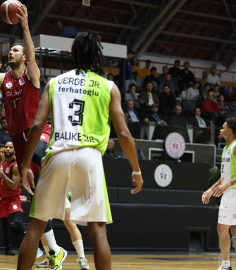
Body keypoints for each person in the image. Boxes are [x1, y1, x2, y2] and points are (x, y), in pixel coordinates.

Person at [17, 30, 143, 270]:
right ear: (97, 57)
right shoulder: (109, 86)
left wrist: (24, 166)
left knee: (36, 225)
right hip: (90, 157)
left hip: (57, 154)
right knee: (98, 229)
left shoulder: (55, 83)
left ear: (73, 55)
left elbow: (35, 127)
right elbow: (125, 135)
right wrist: (136, 170)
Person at [0, 5, 57, 266]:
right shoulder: (3, 78)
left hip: (38, 131)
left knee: (38, 155)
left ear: (25, 58)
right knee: (37, 197)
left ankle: (61, 177)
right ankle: (54, 251)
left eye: (16, 50)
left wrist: (25, 26)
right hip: (16, 136)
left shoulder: (31, 74)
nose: (10, 52)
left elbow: (32, 56)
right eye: (10, 50)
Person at [0, 141, 27, 261]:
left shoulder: (16, 166)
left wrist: (1, 174)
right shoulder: (3, 162)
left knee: (17, 221)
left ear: (14, 150)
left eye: (10, 147)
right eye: (6, 147)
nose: (7, 149)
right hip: (0, 198)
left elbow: (13, 185)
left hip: (11, 199)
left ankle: (33, 246)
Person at [202, 117, 236, 270]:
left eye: (223, 127)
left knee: (232, 230)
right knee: (222, 229)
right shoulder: (224, 149)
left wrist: (228, 185)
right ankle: (226, 265)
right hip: (227, 194)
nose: (220, 130)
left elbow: (228, 181)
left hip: (234, 193)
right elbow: (224, 177)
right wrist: (211, 189)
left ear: (230, 130)